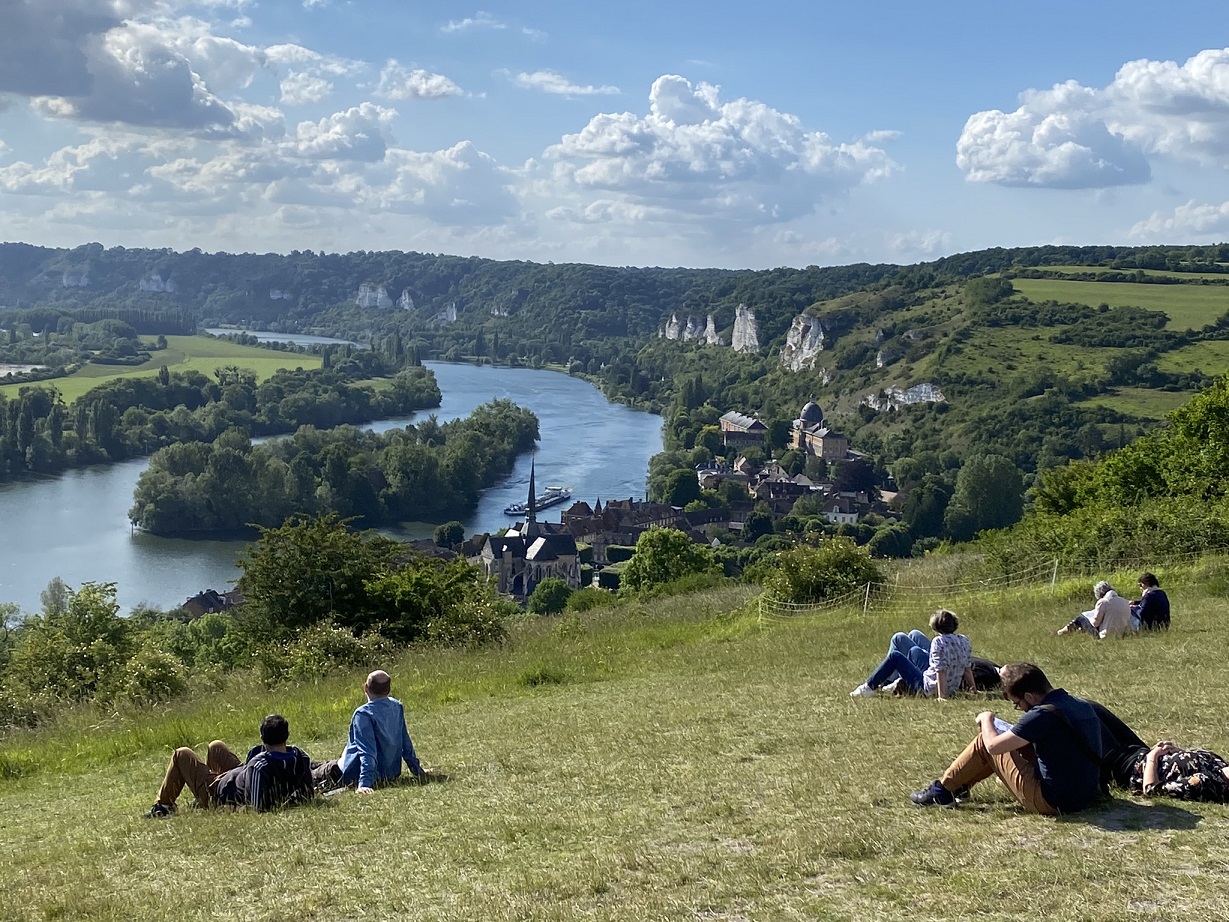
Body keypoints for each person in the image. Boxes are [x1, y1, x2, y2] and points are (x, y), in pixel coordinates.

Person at [910, 662, 1104, 814]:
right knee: (1007, 741)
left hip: (1054, 802)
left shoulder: (1041, 715)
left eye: (1017, 704)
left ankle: (942, 791)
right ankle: (959, 786)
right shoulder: (1079, 703)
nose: (1020, 709)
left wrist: (987, 719)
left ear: (1028, 696)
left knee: (984, 741)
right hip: (1088, 795)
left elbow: (993, 746)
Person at [144, 713, 314, 818]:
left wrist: (222, 807)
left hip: (218, 791)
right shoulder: (300, 757)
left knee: (181, 753)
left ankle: (164, 806)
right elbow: (307, 795)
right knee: (215, 746)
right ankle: (196, 799)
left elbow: (256, 808)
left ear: (262, 737)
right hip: (239, 775)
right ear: (287, 735)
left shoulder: (259, 765)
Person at [315, 670, 426, 795]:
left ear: (365, 688)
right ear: (388, 690)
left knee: (307, 771)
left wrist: (364, 784)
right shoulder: (396, 706)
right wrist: (418, 771)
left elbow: (367, 752)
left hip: (348, 772)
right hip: (389, 773)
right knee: (314, 764)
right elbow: (406, 743)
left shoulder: (363, 714)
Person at [850, 609, 973, 700]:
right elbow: (967, 668)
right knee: (914, 648)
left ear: (936, 628)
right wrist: (974, 689)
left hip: (930, 688)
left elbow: (940, 670)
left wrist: (942, 697)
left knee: (895, 656)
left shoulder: (938, 642)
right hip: (951, 686)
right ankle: (898, 681)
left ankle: (868, 687)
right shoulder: (963, 640)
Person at [1055, 580, 1133, 639]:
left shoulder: (1103, 602)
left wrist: (1088, 621)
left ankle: (1060, 632)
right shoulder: (1124, 601)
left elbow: (1096, 623)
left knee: (1080, 619)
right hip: (1122, 635)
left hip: (1104, 635)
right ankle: (1068, 632)